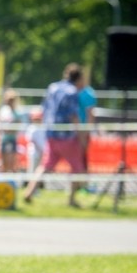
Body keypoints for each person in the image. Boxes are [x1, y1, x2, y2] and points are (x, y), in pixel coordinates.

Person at [23, 63, 86, 208]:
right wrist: (81, 136)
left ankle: (29, 191)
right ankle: (71, 200)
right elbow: (73, 116)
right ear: (78, 78)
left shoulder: (53, 87)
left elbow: (43, 109)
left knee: (45, 166)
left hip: (51, 134)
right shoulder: (72, 92)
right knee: (76, 167)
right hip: (67, 137)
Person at [0, 88, 22, 173]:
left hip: (12, 139)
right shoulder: (4, 110)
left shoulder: (17, 112)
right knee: (3, 163)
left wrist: (10, 130)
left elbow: (17, 126)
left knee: (12, 163)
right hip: (3, 139)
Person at [77, 78, 96, 171]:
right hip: (73, 129)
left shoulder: (88, 93)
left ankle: (82, 183)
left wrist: (86, 132)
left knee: (82, 157)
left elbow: (90, 115)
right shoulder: (72, 91)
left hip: (82, 130)